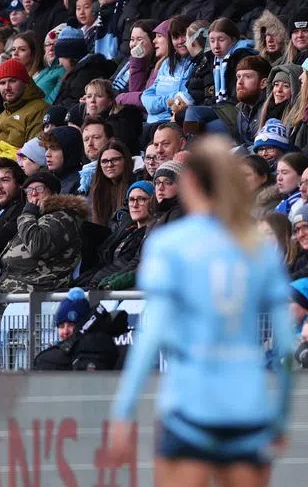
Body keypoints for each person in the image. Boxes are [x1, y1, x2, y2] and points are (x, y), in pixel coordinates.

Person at [108, 136, 294, 482]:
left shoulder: (169, 245)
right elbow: (286, 344)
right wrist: (281, 416)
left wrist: (124, 411)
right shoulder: (259, 247)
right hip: (247, 406)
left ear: (190, 182)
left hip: (190, 405)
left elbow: (151, 336)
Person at [33, 287, 125, 370]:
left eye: (71, 325)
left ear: (86, 324)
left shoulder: (92, 347)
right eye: (61, 326)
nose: (65, 331)